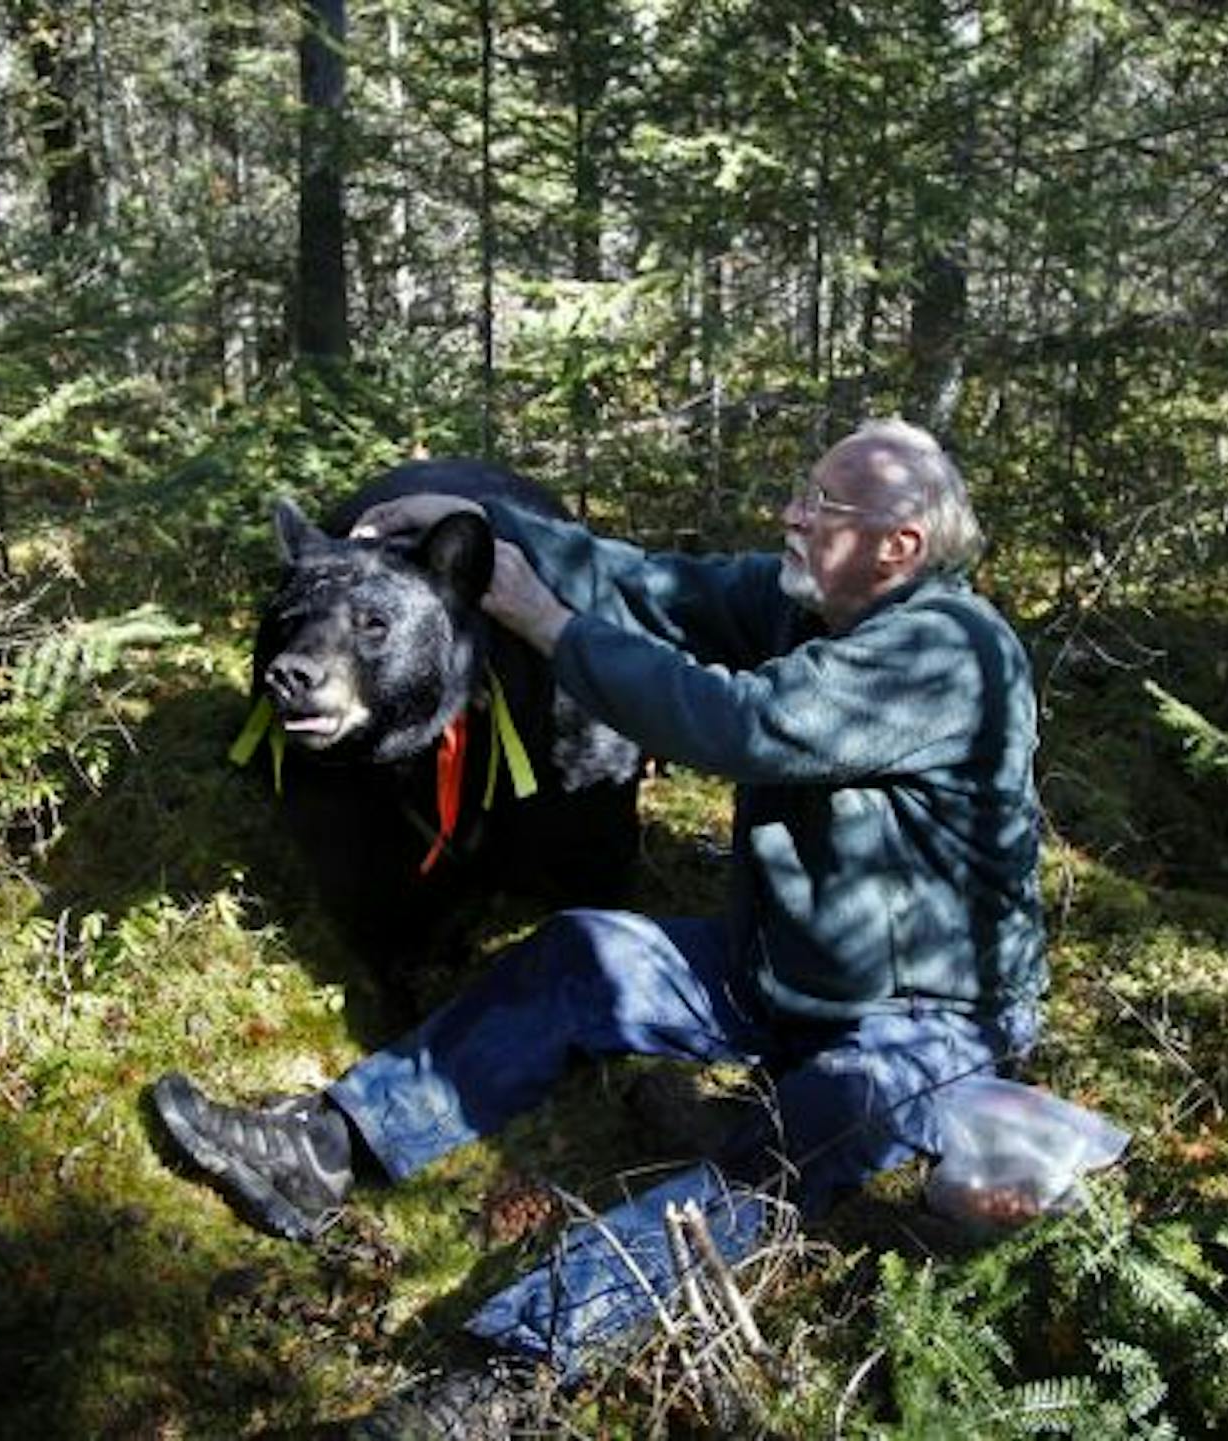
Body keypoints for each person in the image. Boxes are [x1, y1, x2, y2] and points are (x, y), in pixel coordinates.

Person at [150, 418, 1047, 1433]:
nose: (792, 515)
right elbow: (652, 580)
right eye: (803, 492)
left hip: (933, 1020)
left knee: (768, 1165)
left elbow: (739, 725)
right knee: (582, 954)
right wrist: (485, 523)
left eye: (824, 505)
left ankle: (508, 1373)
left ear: (900, 548)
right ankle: (318, 1147)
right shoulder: (809, 606)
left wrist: (547, 622)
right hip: (783, 968)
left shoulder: (950, 650)